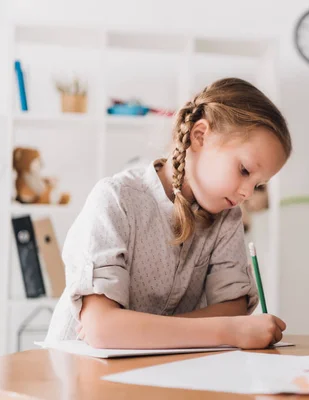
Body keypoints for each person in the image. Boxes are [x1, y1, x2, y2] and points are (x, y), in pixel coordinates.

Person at [46, 78, 292, 350]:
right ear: (200, 136)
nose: (247, 193)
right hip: (78, 378)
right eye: (244, 170)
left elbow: (233, 308)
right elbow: (102, 329)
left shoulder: (228, 217)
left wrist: (141, 331)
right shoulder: (116, 198)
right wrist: (225, 330)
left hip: (154, 372)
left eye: (258, 185)